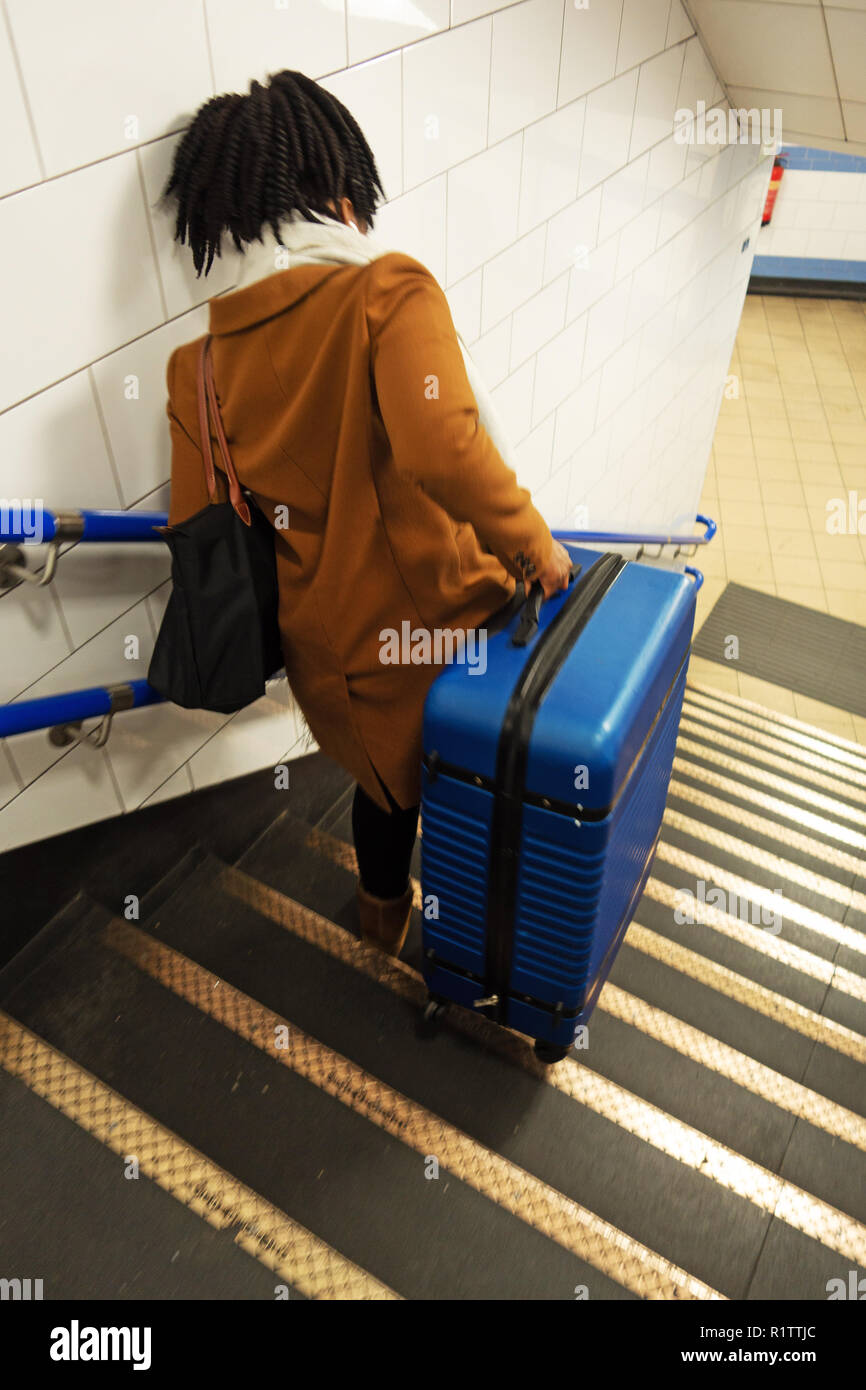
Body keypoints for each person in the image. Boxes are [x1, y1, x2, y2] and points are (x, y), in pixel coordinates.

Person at [161, 69, 572, 958]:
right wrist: (535, 544)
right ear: (341, 187)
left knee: (387, 789)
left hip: (328, 658)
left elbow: (198, 523)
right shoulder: (385, 292)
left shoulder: (194, 365)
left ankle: (381, 921)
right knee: (472, 791)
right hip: (434, 630)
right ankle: (480, 947)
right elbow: (443, 446)